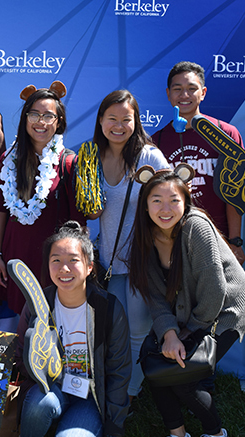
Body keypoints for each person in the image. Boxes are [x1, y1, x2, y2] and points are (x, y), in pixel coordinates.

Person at [127, 168, 245, 437]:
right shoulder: (145, 236)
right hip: (184, 312)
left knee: (183, 375)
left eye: (173, 200)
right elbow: (155, 297)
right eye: (156, 201)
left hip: (224, 310)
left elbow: (215, 290)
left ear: (186, 202)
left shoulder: (197, 227)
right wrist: (169, 333)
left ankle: (216, 434)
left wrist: (188, 333)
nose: (165, 209)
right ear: (145, 205)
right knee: (153, 359)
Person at [7, 221, 131, 437]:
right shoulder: (39, 304)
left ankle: (75, 434)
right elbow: (19, 357)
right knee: (43, 401)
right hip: (51, 388)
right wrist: (35, 361)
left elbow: (120, 372)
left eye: (73, 260)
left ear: (89, 267)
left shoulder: (109, 309)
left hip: (90, 396)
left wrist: (113, 436)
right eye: (56, 260)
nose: (64, 268)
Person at [83, 90, 169, 401]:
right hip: (108, 262)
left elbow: (172, 203)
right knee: (112, 331)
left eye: (126, 119)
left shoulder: (149, 157)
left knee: (137, 331)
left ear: (136, 121)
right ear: (101, 121)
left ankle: (129, 395)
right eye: (112, 119)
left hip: (142, 261)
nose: (119, 126)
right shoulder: (90, 156)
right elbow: (90, 211)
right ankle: (114, 387)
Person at [0, 82, 84, 316]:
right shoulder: (9, 160)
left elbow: (78, 225)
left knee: (50, 322)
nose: (40, 122)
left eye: (48, 116)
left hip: (51, 262)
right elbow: (0, 211)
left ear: (59, 121)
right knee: (17, 324)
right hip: (15, 255)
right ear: (25, 118)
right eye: (34, 114)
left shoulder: (69, 163)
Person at [151, 61, 245, 264]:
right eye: (178, 89)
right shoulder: (156, 141)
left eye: (192, 89)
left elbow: (235, 193)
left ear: (203, 93)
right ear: (168, 94)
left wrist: (235, 241)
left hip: (219, 238)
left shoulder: (226, 134)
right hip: (173, 241)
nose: (184, 95)